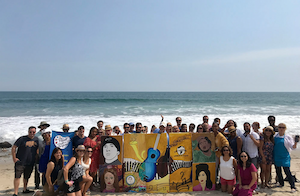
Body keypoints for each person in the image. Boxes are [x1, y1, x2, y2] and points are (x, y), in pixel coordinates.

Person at [12, 126, 39, 196]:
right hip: (20, 161)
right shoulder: (22, 139)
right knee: (17, 176)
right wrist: (14, 158)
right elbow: (14, 147)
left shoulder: (37, 140)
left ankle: (25, 189)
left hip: (30, 162)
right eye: (30, 132)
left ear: (35, 132)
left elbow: (38, 149)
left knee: (26, 177)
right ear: (28, 132)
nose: (32, 133)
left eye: (33, 132)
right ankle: (15, 192)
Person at [273, 123, 297, 193]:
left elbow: (293, 147)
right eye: (280, 127)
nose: (281, 129)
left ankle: (293, 187)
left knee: (287, 172)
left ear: (285, 129)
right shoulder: (275, 136)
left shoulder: (288, 137)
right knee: (278, 171)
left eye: (283, 127)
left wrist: (296, 142)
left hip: (285, 157)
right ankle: (281, 183)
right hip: (276, 156)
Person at [35, 121, 50, 189]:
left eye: (45, 125)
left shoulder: (50, 134)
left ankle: (45, 184)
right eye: (43, 125)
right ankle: (37, 184)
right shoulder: (36, 135)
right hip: (39, 155)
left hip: (47, 156)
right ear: (40, 126)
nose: (44, 127)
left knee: (46, 171)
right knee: (37, 171)